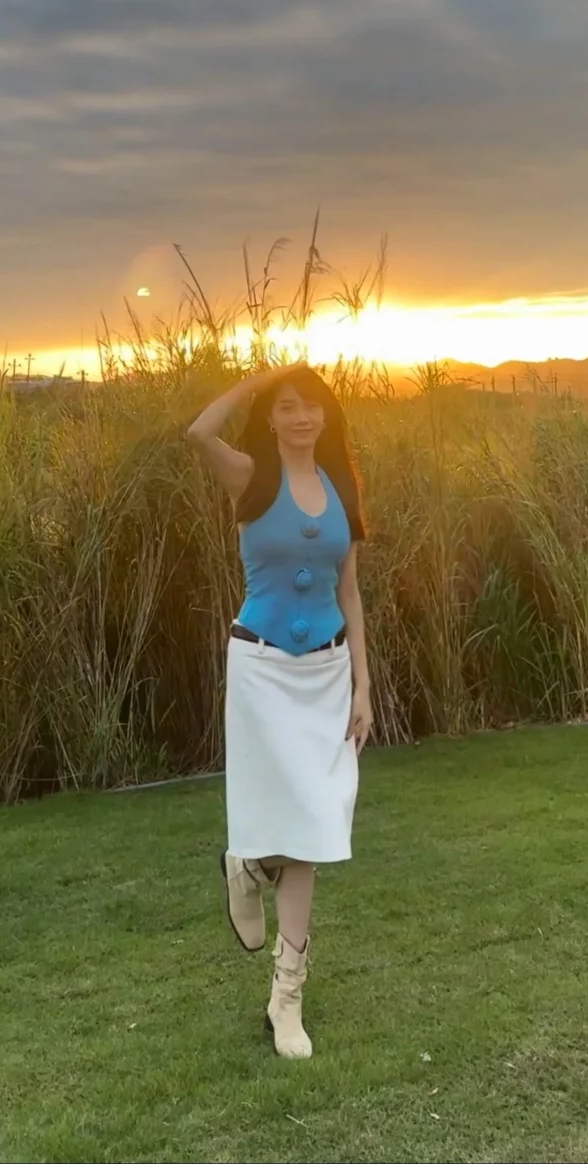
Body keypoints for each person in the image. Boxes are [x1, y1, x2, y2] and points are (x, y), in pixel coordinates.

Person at [186, 362, 372, 1060]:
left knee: (316, 823)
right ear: (270, 417)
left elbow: (349, 592)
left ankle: (284, 991)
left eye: (311, 406)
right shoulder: (250, 478)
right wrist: (254, 381)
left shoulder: (341, 487)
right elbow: (197, 433)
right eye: (287, 406)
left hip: (326, 672)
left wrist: (363, 685)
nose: (301, 417)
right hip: (262, 669)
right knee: (298, 825)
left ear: (327, 416)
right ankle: (252, 867)